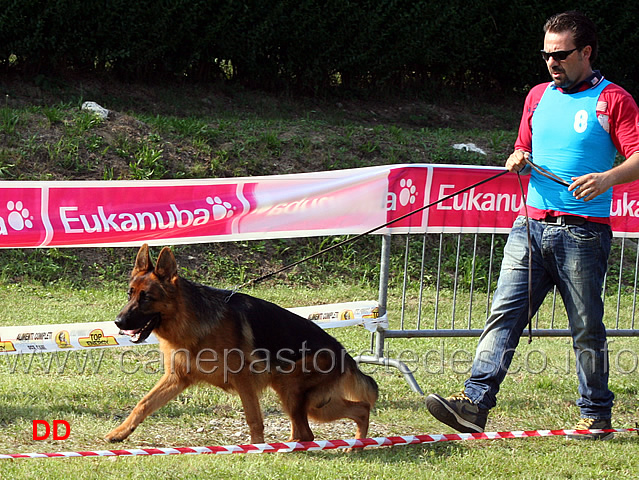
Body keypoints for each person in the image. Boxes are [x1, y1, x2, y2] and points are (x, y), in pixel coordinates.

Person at [426, 10, 639, 440]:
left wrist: (607, 178)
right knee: (503, 315)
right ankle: (474, 405)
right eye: (546, 55)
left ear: (586, 52)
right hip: (529, 226)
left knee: (586, 326)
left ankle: (596, 414)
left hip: (583, 232)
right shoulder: (538, 96)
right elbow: (522, 147)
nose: (551, 63)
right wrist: (516, 157)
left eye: (560, 54)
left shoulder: (615, 99)